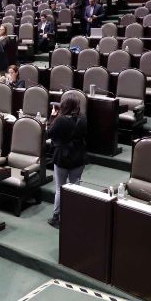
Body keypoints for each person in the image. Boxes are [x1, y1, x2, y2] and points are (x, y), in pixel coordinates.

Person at [47, 94, 88, 228]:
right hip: (78, 155)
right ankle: (74, 215)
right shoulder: (83, 118)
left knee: (60, 188)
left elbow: (50, 133)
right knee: (75, 187)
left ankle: (56, 217)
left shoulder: (60, 120)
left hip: (62, 157)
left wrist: (53, 116)